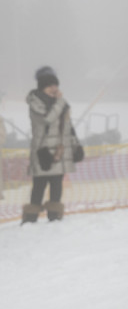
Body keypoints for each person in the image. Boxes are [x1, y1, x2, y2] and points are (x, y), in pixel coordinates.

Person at [23, 66, 81, 223]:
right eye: (50, 86)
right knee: (39, 186)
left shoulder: (60, 104)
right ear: (42, 87)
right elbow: (47, 119)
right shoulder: (35, 102)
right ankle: (30, 219)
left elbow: (67, 126)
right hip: (43, 152)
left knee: (57, 185)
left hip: (59, 152)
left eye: (55, 85)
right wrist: (61, 102)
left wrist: (75, 144)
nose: (54, 89)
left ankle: (54, 218)